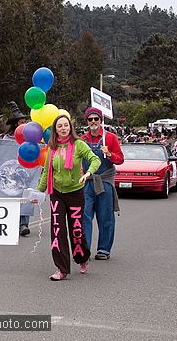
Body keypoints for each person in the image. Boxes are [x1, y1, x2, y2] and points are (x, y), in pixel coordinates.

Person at [34, 115, 101, 281]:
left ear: (70, 128)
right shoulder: (52, 148)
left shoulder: (78, 145)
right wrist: (38, 192)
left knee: (76, 230)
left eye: (66, 125)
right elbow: (47, 173)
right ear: (55, 130)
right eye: (59, 126)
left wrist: (87, 173)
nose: (63, 128)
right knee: (58, 230)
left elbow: (95, 159)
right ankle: (61, 268)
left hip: (76, 192)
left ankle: (82, 257)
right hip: (57, 193)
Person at [81, 108, 123, 260]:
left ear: (101, 121)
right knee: (84, 216)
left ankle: (104, 249)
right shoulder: (82, 140)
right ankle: (84, 250)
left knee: (105, 217)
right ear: (87, 121)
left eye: (96, 119)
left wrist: (109, 153)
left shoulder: (110, 138)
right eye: (90, 119)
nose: (93, 122)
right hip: (87, 182)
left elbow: (120, 159)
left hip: (104, 181)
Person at [3, 101, 34, 237]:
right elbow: (2, 154)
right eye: (22, 122)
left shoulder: (30, 138)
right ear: (16, 124)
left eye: (25, 122)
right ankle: (12, 222)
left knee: (26, 196)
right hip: (11, 173)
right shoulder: (7, 138)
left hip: (25, 171)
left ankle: (24, 224)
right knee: (13, 197)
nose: (24, 124)